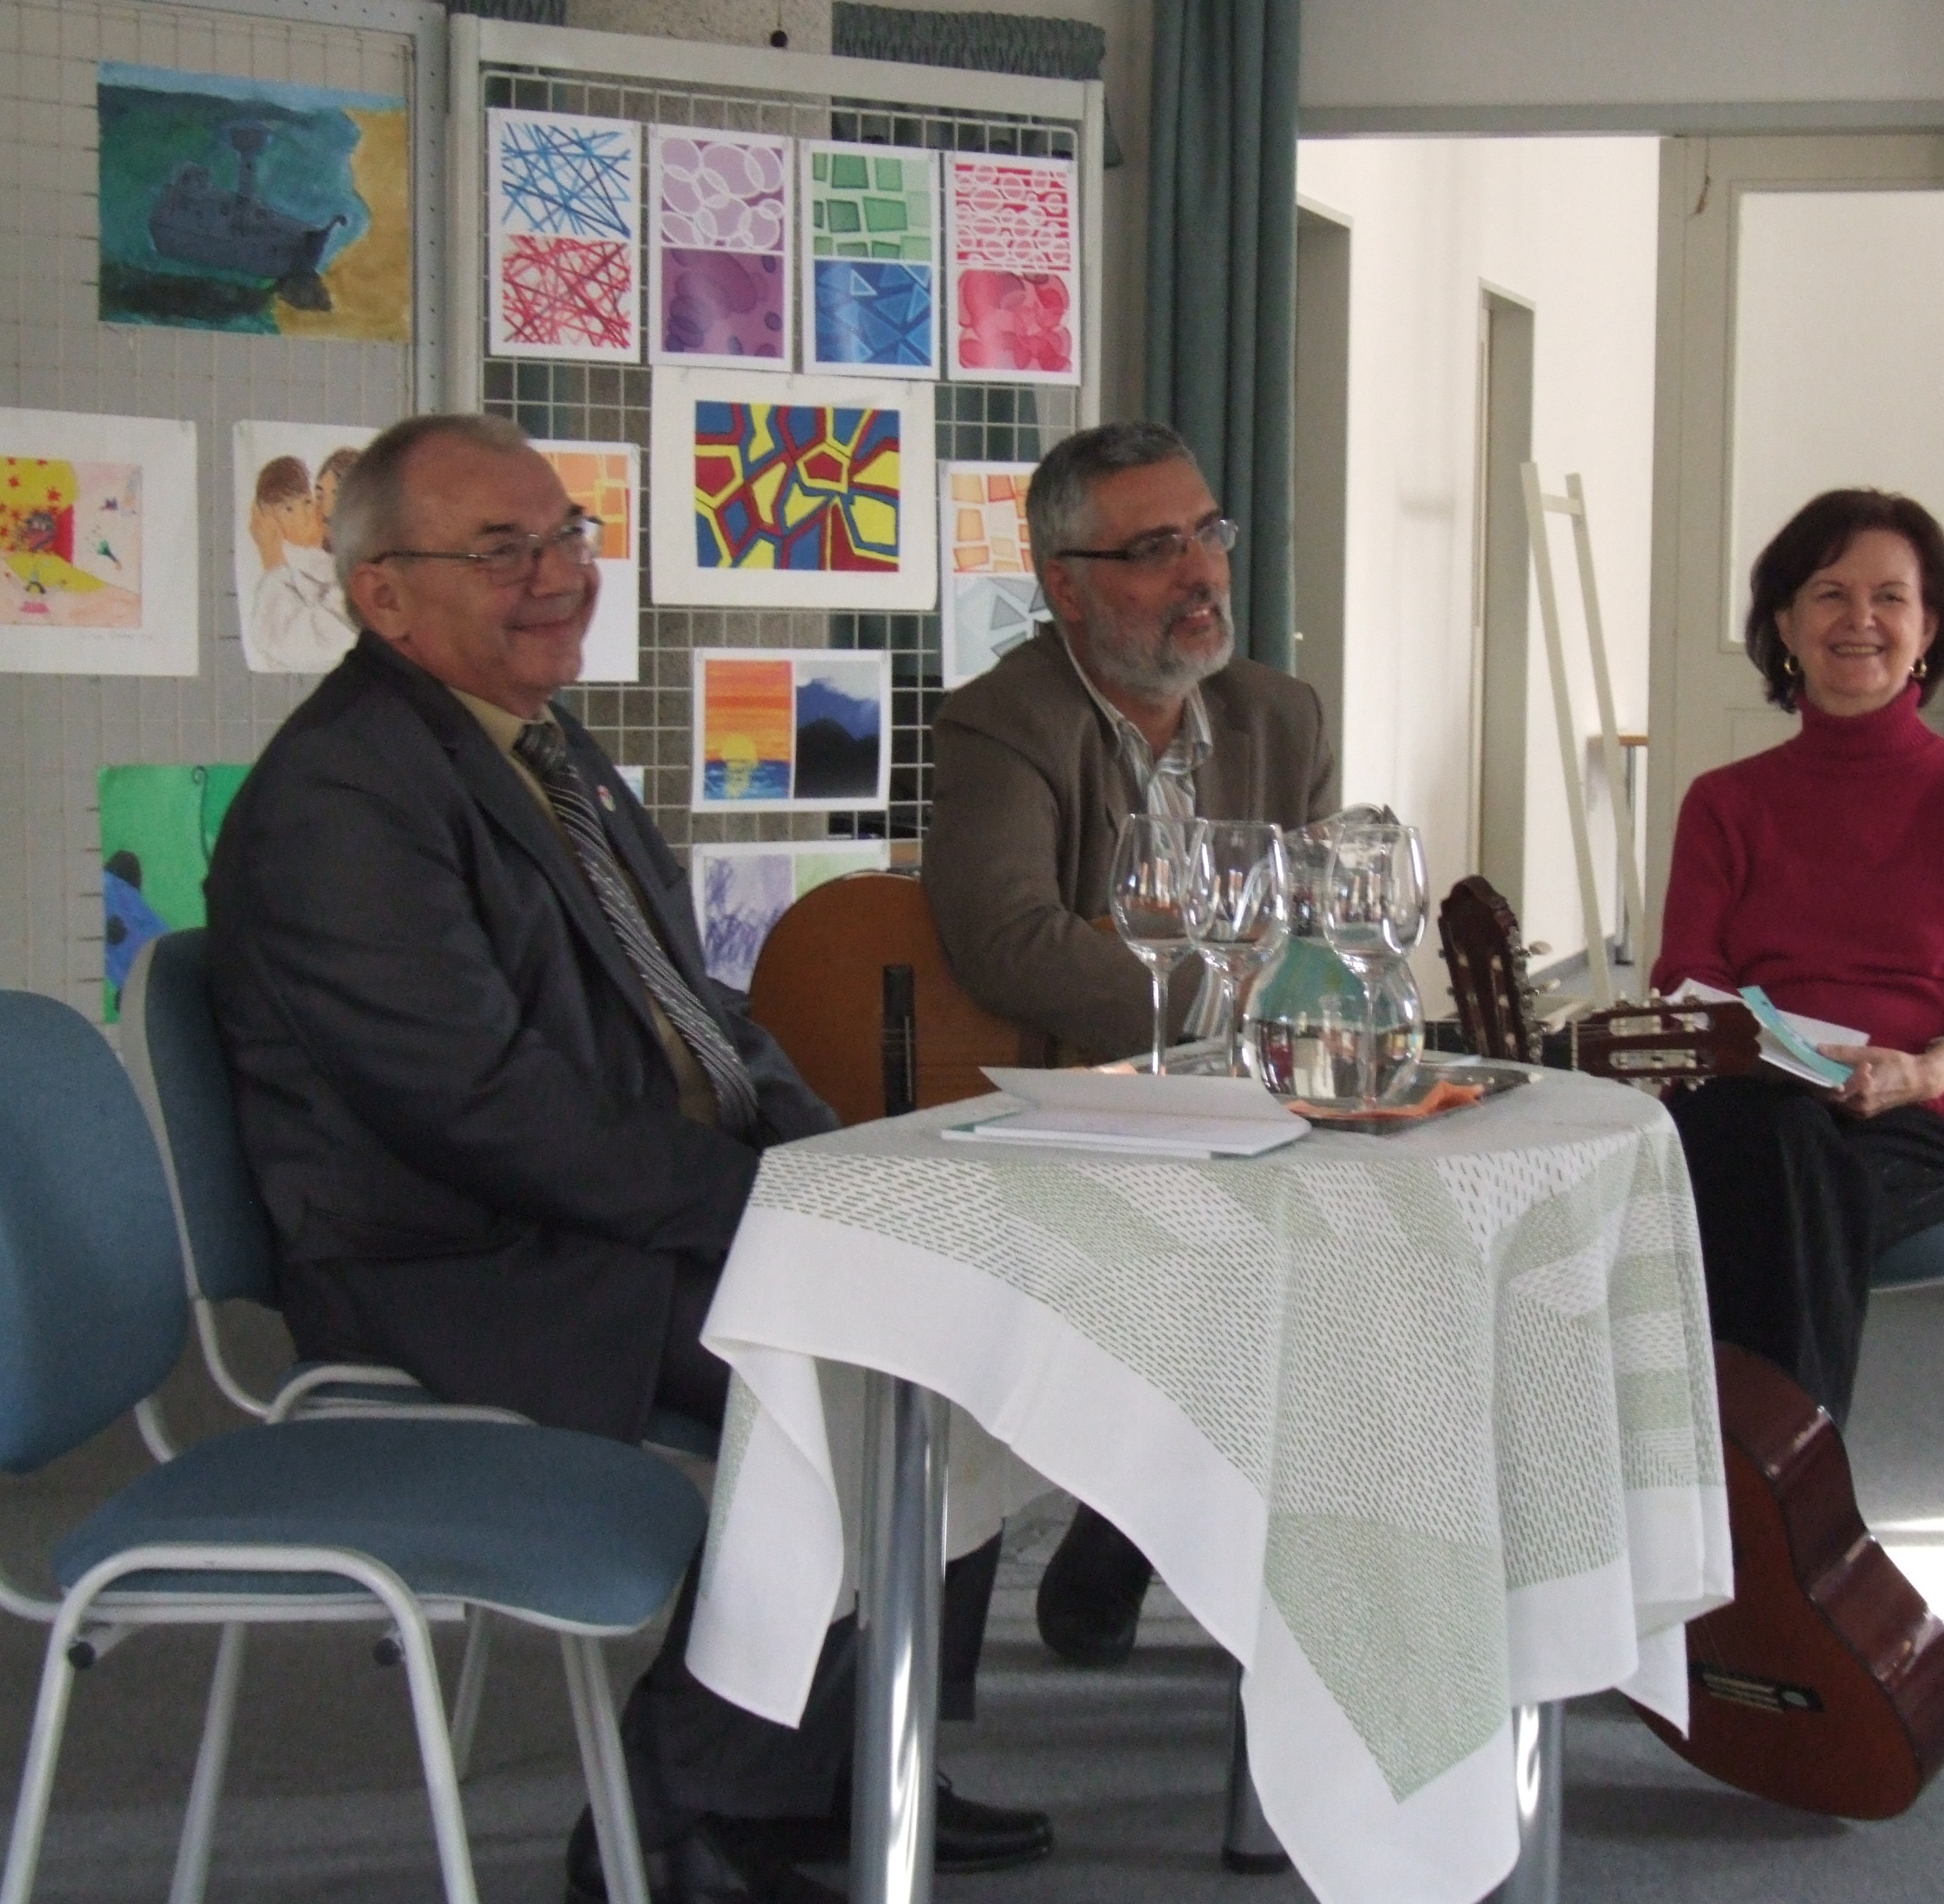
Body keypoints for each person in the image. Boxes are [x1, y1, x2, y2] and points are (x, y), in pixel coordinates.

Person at [206, 413, 1050, 1904]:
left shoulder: (535, 741)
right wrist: (775, 1212)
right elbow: (478, 1107)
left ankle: (820, 1773)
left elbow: (693, 1008)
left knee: (958, 1318)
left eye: (566, 535)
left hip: (592, 1212)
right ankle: (658, 1822)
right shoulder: (342, 795)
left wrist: (833, 1168)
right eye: (500, 551)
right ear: (382, 594)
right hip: (456, 1265)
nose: (556, 575)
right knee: (883, 1377)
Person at [924, 420, 1338, 1665]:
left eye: (1207, 534)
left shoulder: (1280, 715)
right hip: (1062, 1122)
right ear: (1065, 585)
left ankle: (1176, 1562)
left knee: (1348, 1257)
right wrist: (1222, 1007)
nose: (1201, 572)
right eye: (1154, 549)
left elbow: (1317, 930)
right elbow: (1009, 940)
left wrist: (1261, 1013)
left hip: (1240, 1122)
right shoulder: (1004, 721)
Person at [1650, 489, 1944, 1428]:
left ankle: (1752, 1488)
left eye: (1889, 597)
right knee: (1772, 1145)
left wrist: (1931, 1068)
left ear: (1928, 628)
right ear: (1784, 627)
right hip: (1761, 1098)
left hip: (1926, 1115)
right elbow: (1686, 978)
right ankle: (1787, 1490)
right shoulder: (1724, 802)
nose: (1859, 620)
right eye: (1829, 594)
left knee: (1774, 1186)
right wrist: (1772, 1057)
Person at [243, 453, 356, 673]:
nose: (321, 509)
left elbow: (302, 645)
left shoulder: (359, 574)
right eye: (319, 495)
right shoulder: (314, 563)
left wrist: (273, 561)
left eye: (337, 495)